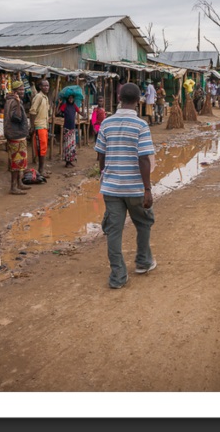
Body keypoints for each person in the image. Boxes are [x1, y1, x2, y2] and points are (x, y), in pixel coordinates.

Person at [94, 82, 156, 289]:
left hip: (112, 188)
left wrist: (104, 175)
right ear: (139, 101)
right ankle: (143, 262)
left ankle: (118, 276)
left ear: (119, 99)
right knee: (144, 223)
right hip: (135, 188)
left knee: (114, 231)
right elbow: (144, 159)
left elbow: (101, 155)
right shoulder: (140, 125)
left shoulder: (107, 124)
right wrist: (147, 189)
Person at [4, 80, 32, 195]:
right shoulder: (14, 101)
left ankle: (19, 183)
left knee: (20, 162)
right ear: (15, 91)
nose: (23, 91)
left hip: (17, 135)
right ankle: (13, 187)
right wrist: (18, 101)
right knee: (16, 162)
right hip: (16, 135)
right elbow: (16, 117)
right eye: (20, 90)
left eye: (23, 89)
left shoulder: (12, 101)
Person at [28, 79, 51, 177]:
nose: (46, 87)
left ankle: (42, 169)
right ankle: (41, 170)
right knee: (41, 149)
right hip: (39, 126)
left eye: (47, 85)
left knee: (43, 148)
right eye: (44, 86)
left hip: (44, 126)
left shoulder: (45, 97)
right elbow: (32, 111)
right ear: (40, 87)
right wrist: (32, 126)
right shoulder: (38, 97)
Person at [59, 94, 79, 168]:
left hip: (72, 128)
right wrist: (60, 104)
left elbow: (81, 113)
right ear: (67, 99)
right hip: (67, 128)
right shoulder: (64, 105)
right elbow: (57, 113)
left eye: (72, 98)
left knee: (72, 146)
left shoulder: (74, 106)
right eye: (69, 98)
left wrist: (83, 104)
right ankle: (67, 162)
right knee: (67, 146)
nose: (71, 99)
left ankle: (70, 161)